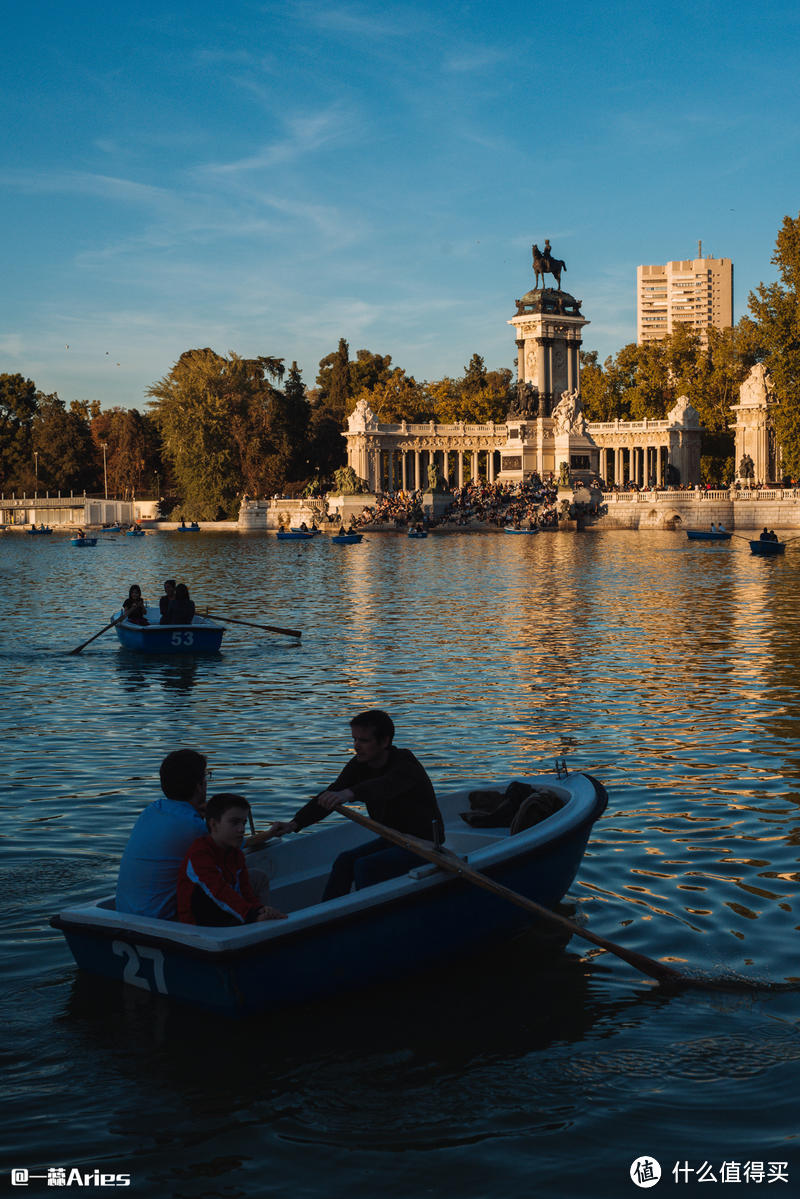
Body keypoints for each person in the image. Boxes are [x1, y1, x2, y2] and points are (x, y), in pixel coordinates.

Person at [262, 710, 443, 900]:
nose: (356, 746)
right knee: (344, 861)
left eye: (363, 741)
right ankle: (329, 913)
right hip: (393, 839)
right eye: (354, 739)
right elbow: (329, 795)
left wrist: (350, 793)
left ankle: (366, 914)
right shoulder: (359, 765)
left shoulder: (405, 764)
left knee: (365, 866)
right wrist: (294, 824)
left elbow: (386, 785)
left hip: (426, 844)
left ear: (384, 742)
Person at [116, 749, 211, 918]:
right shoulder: (192, 825)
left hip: (125, 913)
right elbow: (232, 845)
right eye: (206, 777)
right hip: (159, 920)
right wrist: (269, 834)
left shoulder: (151, 810)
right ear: (198, 786)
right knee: (252, 878)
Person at [177, 793, 286, 925]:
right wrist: (251, 915)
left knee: (259, 877)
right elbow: (219, 892)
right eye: (234, 822)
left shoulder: (235, 853)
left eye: (244, 822)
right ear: (214, 824)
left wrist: (259, 910)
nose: (241, 829)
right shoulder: (200, 854)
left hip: (224, 913)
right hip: (199, 925)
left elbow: (246, 891)